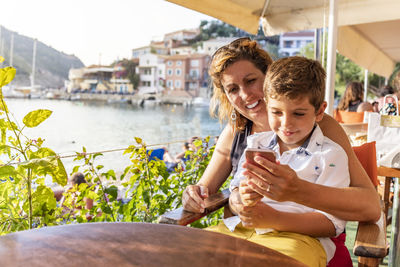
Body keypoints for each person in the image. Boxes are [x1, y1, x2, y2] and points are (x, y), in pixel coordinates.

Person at [182, 38, 380, 266]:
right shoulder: (238, 132)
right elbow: (208, 191)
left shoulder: (321, 129)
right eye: (233, 89)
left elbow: (369, 206)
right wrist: (195, 195)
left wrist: (294, 191)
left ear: (269, 77)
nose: (245, 95)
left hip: (304, 240)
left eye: (251, 80)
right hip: (245, 239)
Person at [217, 56, 350, 266]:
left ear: (320, 111)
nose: (286, 123)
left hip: (299, 239)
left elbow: (332, 224)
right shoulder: (256, 144)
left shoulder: (331, 155)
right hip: (240, 229)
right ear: (267, 105)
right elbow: (235, 190)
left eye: (298, 113)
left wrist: (274, 219)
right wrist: (241, 197)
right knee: (191, 251)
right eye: (276, 112)